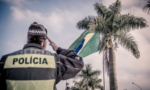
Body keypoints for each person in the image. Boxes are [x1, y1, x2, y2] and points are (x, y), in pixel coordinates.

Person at [0, 22, 84, 90]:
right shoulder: (55, 60)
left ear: (27, 42)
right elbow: (78, 63)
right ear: (44, 43)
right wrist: (58, 49)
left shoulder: (5, 60)